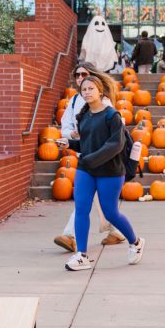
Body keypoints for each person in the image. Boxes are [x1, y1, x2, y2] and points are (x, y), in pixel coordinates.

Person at [61, 69, 146, 271]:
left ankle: (135, 242)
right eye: (84, 90)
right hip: (86, 169)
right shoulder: (83, 116)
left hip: (110, 171)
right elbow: (86, 144)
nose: (87, 92)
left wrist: (90, 159)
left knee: (110, 213)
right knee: (81, 208)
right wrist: (69, 144)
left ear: (100, 91)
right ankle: (81, 255)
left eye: (91, 89)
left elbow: (115, 145)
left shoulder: (112, 115)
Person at [53, 62, 126, 252]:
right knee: (90, 199)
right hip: (84, 152)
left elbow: (110, 132)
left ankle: (70, 235)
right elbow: (66, 124)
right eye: (77, 75)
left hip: (102, 156)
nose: (79, 78)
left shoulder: (105, 103)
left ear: (92, 75)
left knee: (88, 200)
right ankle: (116, 230)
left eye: (83, 74)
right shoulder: (76, 100)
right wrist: (71, 136)